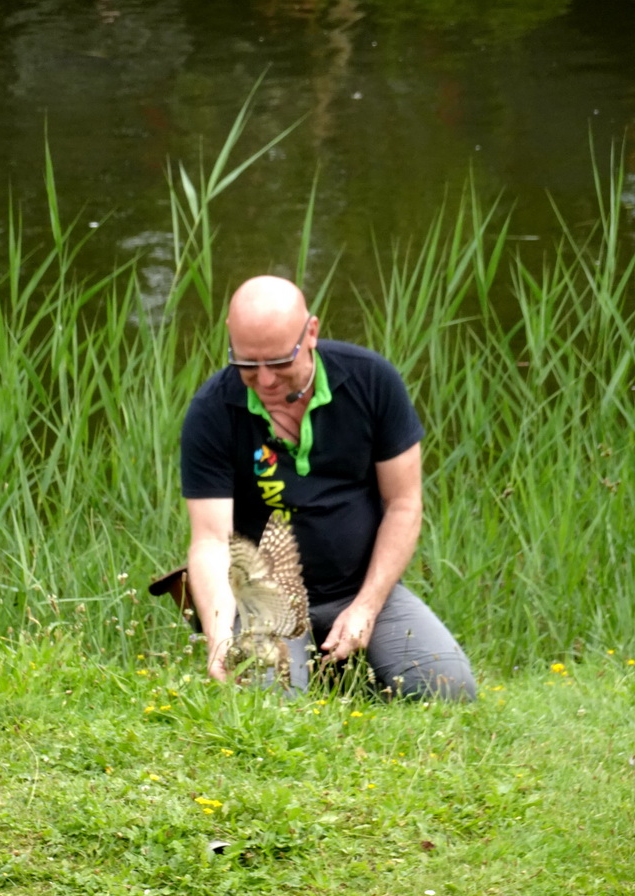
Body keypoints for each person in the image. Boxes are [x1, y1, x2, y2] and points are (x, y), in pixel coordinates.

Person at [180, 275, 476, 701]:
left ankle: (342, 667)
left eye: (279, 362)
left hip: (357, 586)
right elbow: (210, 540)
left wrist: (367, 607)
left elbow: (404, 504)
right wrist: (219, 635)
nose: (264, 381)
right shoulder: (211, 411)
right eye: (247, 364)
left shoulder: (371, 380)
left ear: (311, 333)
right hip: (264, 599)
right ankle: (309, 672)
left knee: (450, 691)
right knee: (270, 705)